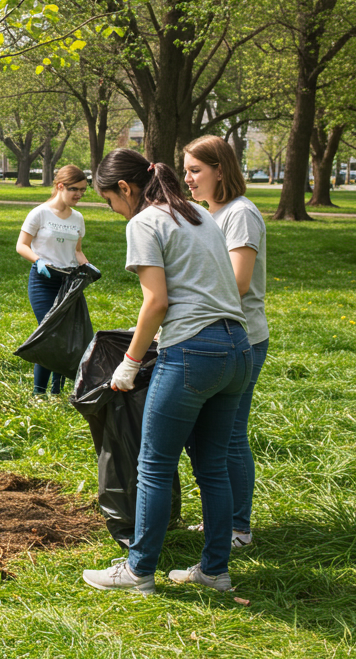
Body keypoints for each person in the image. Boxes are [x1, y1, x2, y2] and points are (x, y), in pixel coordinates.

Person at [82, 149, 251, 596]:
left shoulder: (145, 221)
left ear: (126, 188)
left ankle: (139, 572)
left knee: (153, 465)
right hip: (237, 348)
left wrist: (130, 363)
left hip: (192, 353)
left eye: (110, 201)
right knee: (213, 466)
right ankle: (215, 571)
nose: (113, 211)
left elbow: (157, 302)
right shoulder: (198, 212)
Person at [182, 136, 268, 549]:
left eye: (196, 171)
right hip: (208, 336)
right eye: (186, 171)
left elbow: (238, 281)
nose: (189, 180)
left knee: (230, 434)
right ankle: (221, 519)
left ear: (221, 169)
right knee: (208, 434)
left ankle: (238, 528)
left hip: (242, 339)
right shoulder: (207, 215)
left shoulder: (241, 214)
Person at [15, 165, 92, 394]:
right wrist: (38, 261)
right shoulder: (40, 213)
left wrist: (87, 267)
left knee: (65, 336)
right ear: (60, 186)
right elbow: (21, 245)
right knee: (50, 335)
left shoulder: (78, 218)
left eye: (83, 190)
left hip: (68, 283)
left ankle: (56, 392)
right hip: (43, 281)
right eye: (74, 189)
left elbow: (77, 251)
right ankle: (39, 393)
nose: (79, 194)